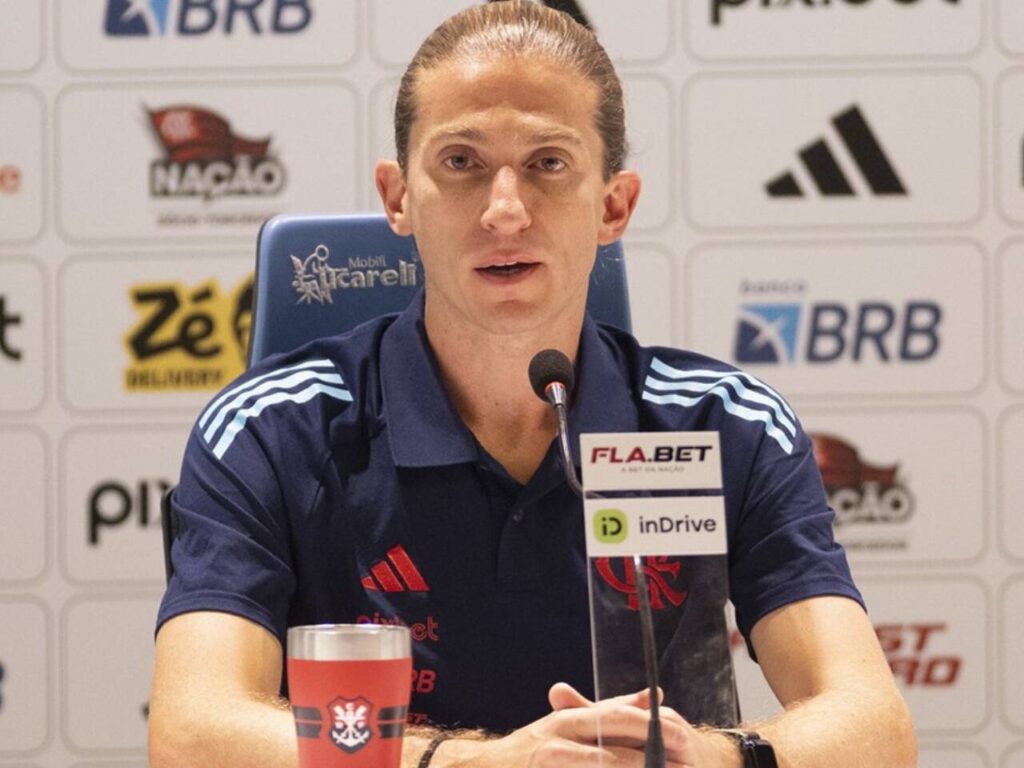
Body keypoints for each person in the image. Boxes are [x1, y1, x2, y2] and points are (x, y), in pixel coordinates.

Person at [148, 3, 917, 766]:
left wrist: (706, 758)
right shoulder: (269, 430)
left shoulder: (724, 425)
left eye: (549, 163)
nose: (505, 211)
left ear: (614, 204)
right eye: (461, 162)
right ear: (398, 198)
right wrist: (482, 765)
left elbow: (874, 732)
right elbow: (191, 735)